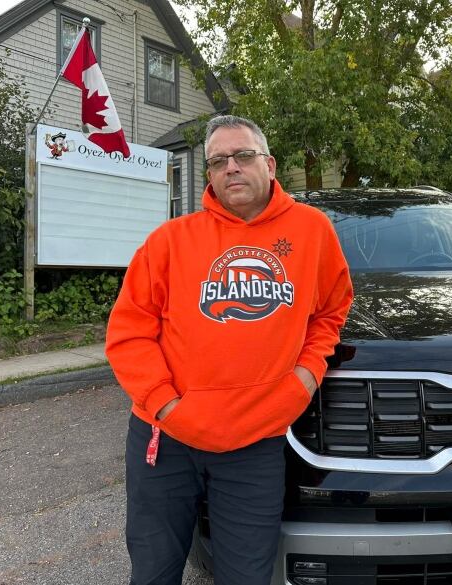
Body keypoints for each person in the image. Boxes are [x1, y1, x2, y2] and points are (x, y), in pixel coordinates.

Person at [105, 115, 353, 585]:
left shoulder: (311, 231)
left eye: (243, 156)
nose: (231, 168)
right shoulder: (169, 242)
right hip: (167, 439)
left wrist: (304, 378)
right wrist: (166, 403)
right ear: (210, 176)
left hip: (254, 442)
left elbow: (331, 311)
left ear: (270, 164)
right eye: (218, 161)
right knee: (153, 571)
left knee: (247, 575)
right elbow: (129, 333)